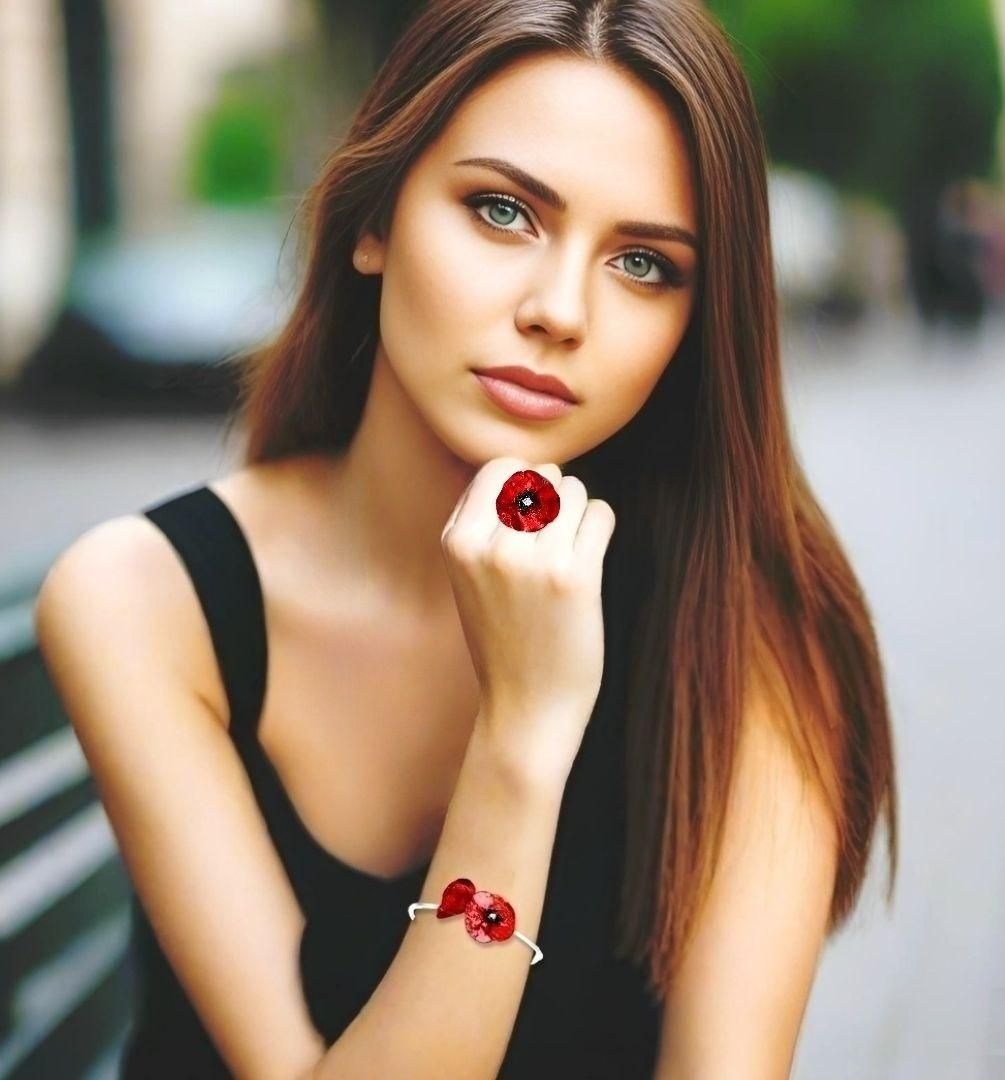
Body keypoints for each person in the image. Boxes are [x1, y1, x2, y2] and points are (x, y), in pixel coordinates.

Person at [32, 0, 899, 1076]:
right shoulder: (146, 603)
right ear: (373, 222)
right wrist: (523, 741)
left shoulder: (752, 632)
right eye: (501, 211)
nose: (559, 309)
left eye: (644, 265)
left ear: (695, 322)